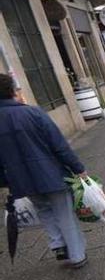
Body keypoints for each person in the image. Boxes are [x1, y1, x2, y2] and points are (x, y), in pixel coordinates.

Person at [0, 73, 89, 268]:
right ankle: (77, 255)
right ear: (13, 91)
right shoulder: (33, 113)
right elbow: (59, 145)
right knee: (64, 212)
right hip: (52, 174)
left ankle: (58, 245)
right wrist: (77, 168)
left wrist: (5, 181)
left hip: (21, 180)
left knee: (43, 210)